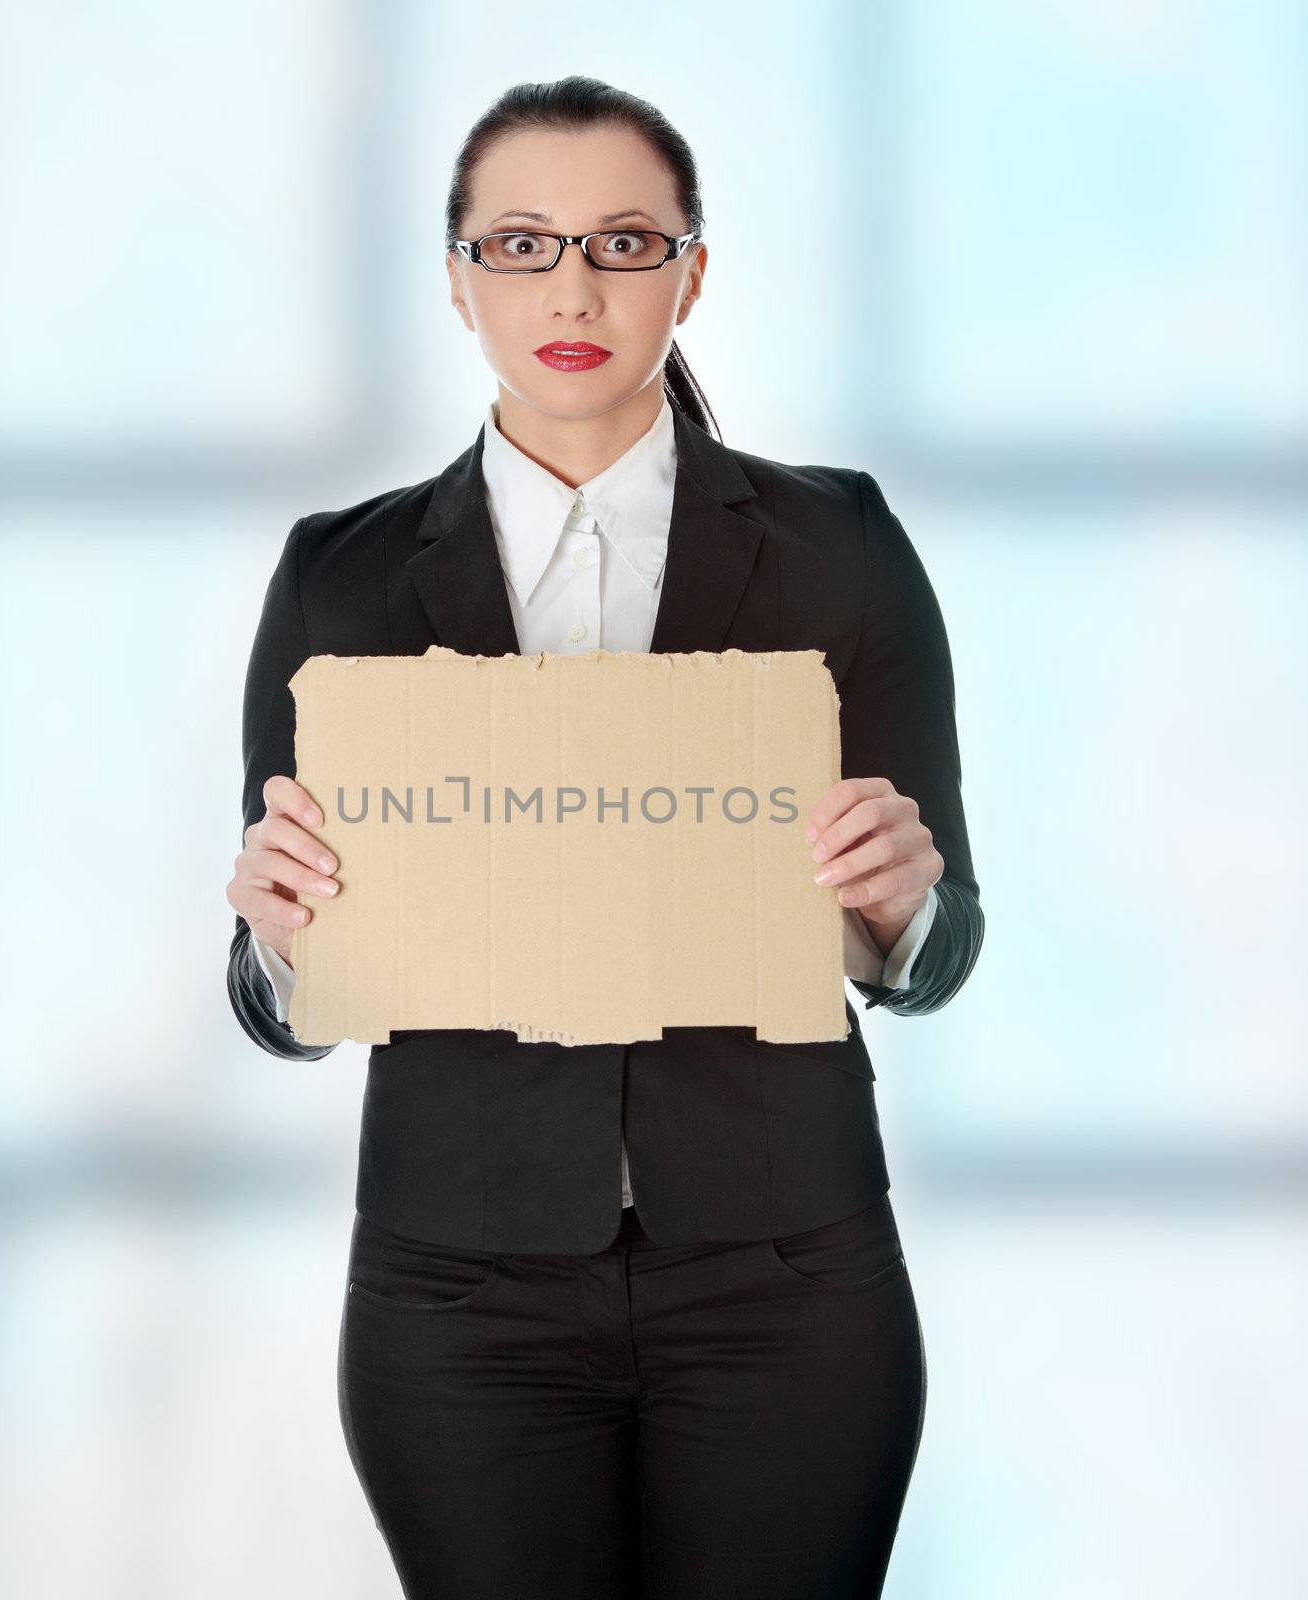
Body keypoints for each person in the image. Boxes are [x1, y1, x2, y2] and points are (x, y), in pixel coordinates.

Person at [224, 74, 984, 1600]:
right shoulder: (344, 580)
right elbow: (272, 1003)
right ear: (457, 281)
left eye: (626, 242)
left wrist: (905, 909)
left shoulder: (837, 549)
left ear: (691, 272)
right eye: (520, 244)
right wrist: (274, 941)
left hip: (787, 1277)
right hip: (459, 1292)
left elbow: (944, 944)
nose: (572, 286)